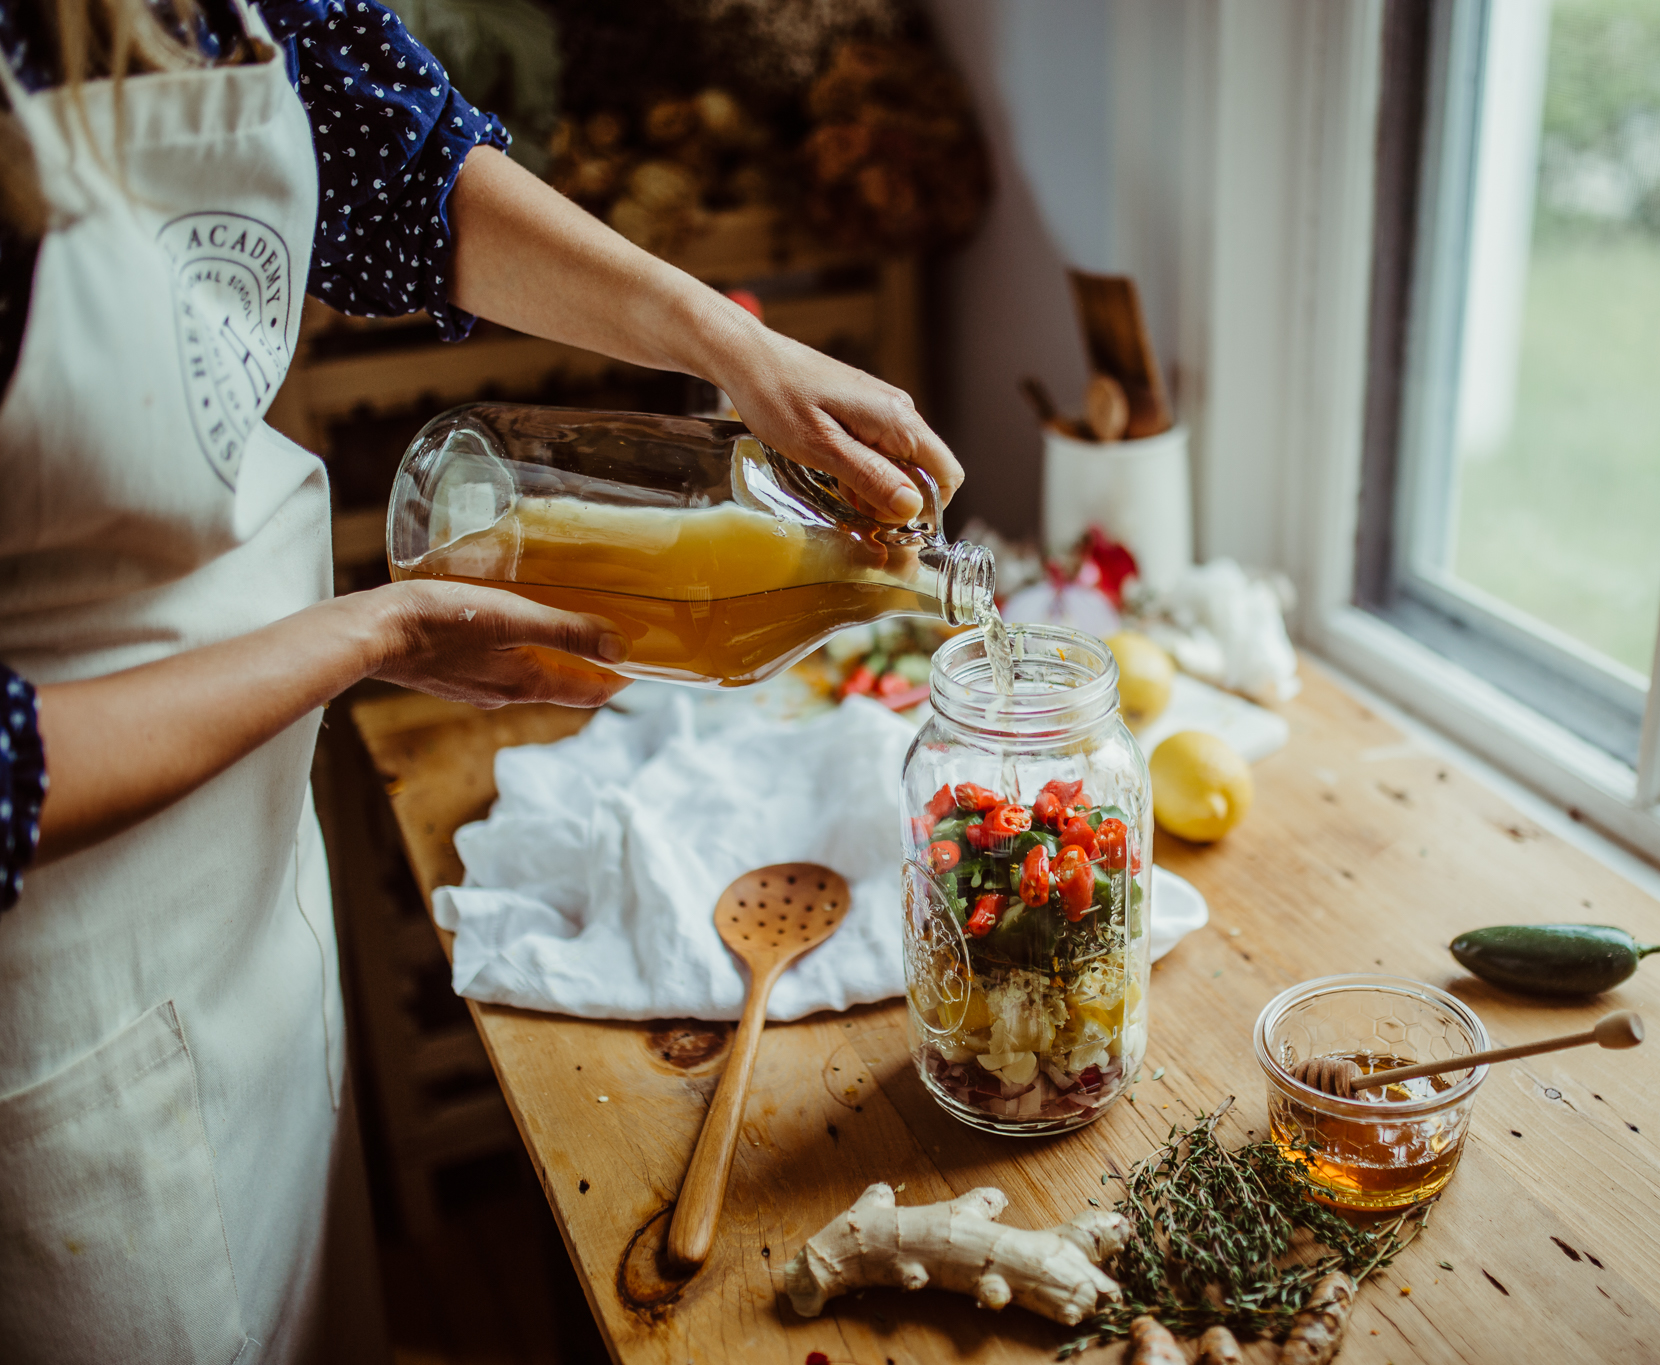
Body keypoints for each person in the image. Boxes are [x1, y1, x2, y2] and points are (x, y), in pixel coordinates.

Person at [0, 1, 963, 1359]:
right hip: (51, 979)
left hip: (247, 867)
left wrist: (729, 343)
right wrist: (374, 636)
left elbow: (399, 165)